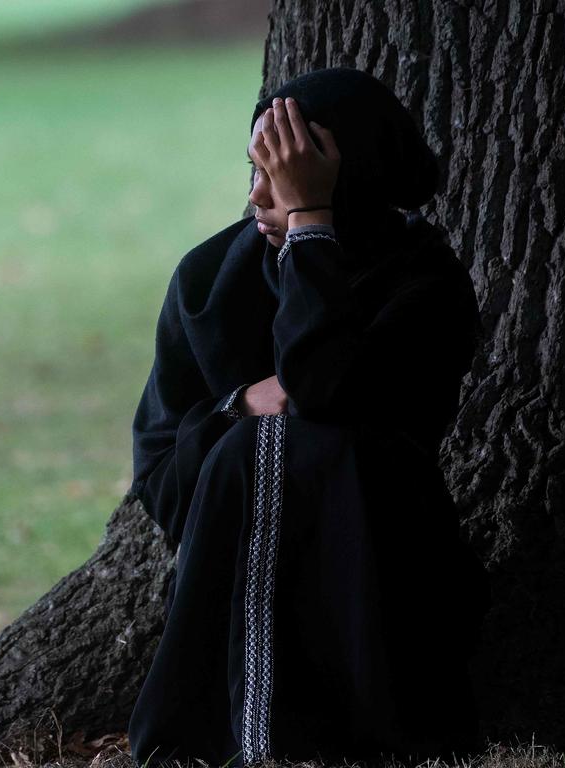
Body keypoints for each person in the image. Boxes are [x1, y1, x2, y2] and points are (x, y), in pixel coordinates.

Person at [126, 67, 492, 767]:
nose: (261, 198)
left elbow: (326, 392)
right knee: (249, 447)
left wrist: (310, 229)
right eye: (258, 169)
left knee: (291, 448)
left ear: (347, 177)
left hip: (376, 585)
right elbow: (160, 476)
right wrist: (237, 408)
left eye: (292, 177)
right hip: (235, 578)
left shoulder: (423, 283)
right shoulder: (206, 280)